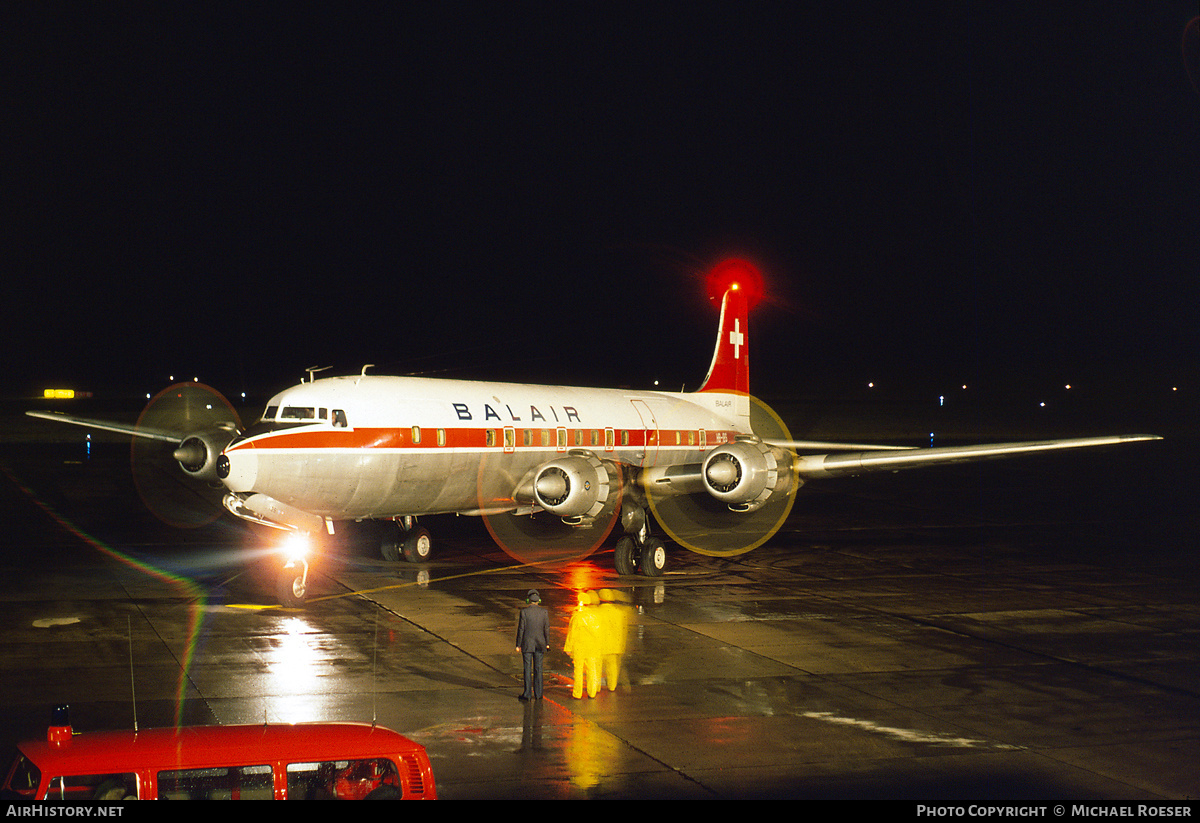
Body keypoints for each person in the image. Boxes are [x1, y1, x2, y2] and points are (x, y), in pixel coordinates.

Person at [563, 590, 603, 699]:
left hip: (579, 648)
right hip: (592, 648)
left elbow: (572, 633)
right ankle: (592, 692)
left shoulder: (577, 616)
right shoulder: (595, 616)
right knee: (592, 670)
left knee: (578, 671)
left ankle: (577, 693)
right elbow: (599, 633)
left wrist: (568, 647)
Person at [515, 589, 550, 700]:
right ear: (538, 600)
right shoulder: (544, 612)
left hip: (527, 644)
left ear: (528, 600)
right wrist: (547, 643)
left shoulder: (524, 612)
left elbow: (521, 629)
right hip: (540, 644)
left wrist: (518, 644)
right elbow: (547, 629)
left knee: (527, 669)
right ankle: (539, 694)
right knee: (538, 669)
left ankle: (527, 694)